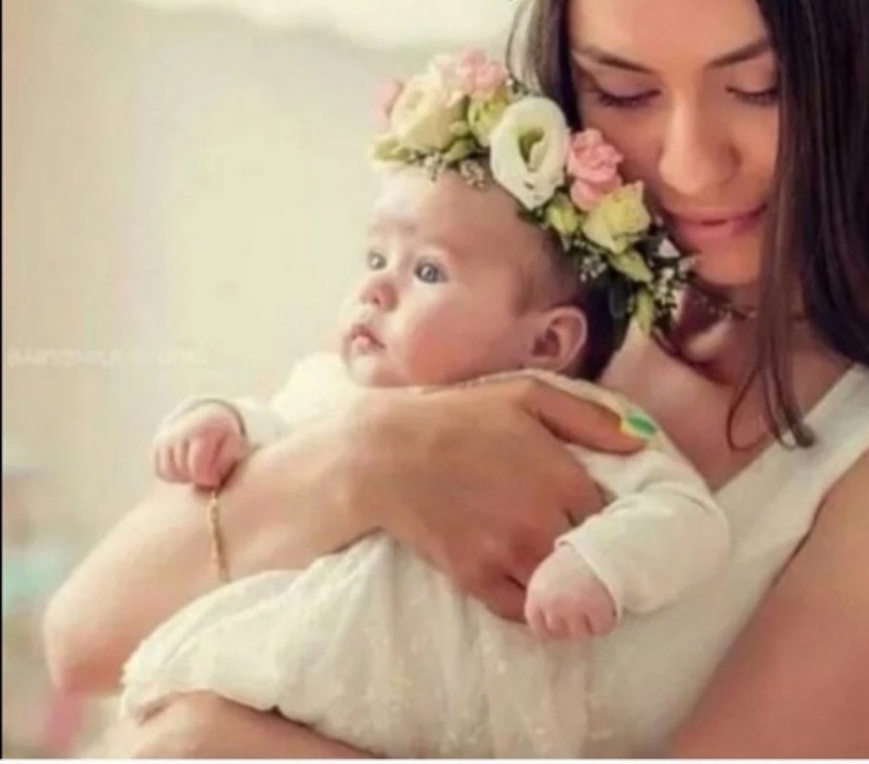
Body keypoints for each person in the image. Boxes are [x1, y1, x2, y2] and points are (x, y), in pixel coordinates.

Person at [45, 0, 869, 757]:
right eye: (623, 93)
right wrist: (366, 457)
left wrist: (220, 743)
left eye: (757, 89)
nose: (688, 164)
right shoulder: (550, 283)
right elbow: (83, 638)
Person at [119, 54, 730, 757]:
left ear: (547, 342)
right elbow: (274, 429)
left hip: (459, 721)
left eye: (428, 270)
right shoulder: (342, 394)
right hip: (281, 689)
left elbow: (683, 513)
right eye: (376, 258)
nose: (376, 290)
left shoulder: (568, 416)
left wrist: (601, 564)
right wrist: (218, 423)